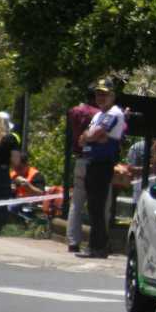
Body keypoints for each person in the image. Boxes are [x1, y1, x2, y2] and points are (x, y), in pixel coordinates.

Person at [77, 79, 125, 259]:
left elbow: (97, 134)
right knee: (92, 206)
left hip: (103, 163)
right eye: (98, 94)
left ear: (112, 96)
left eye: (104, 94)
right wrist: (91, 137)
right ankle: (96, 245)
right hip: (92, 161)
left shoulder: (114, 113)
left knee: (97, 206)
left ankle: (98, 247)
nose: (100, 97)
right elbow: (82, 138)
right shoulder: (98, 115)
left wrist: (92, 137)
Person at [65, 88, 100, 253]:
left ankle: (73, 241)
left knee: (76, 203)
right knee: (98, 203)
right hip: (95, 160)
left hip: (79, 158)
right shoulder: (99, 114)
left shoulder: (74, 111)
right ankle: (96, 241)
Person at [9, 151, 47, 223]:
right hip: (16, 202)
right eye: (15, 168)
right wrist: (11, 189)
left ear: (26, 164)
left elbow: (41, 193)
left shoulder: (36, 175)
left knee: (12, 207)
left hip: (30, 204)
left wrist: (28, 186)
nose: (17, 171)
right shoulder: (12, 175)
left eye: (20, 168)